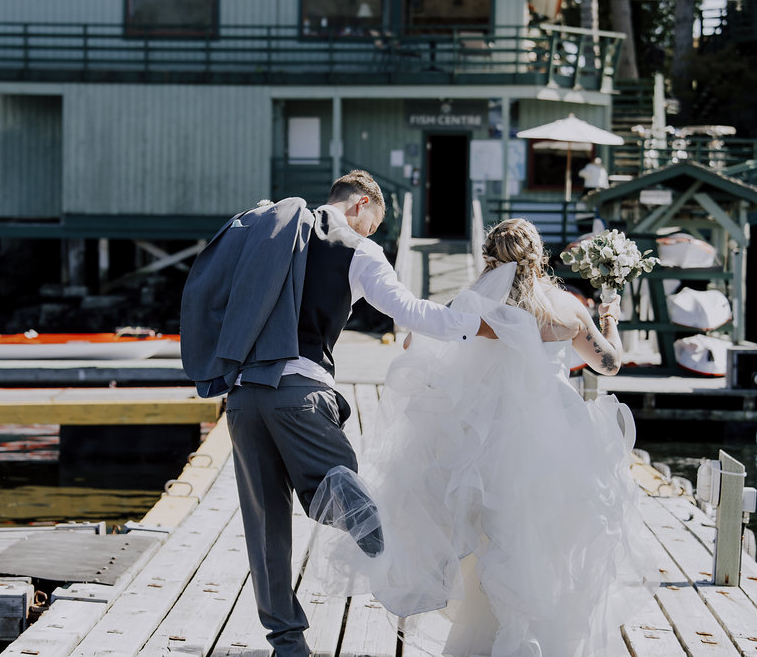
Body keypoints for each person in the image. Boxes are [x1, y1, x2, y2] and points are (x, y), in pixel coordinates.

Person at [180, 170, 496, 657]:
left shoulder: (266, 235)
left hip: (244, 396)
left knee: (265, 527)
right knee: (334, 485)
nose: (373, 233)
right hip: (300, 391)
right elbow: (408, 309)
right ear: (361, 204)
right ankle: (398, 561)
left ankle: (287, 644)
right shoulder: (356, 249)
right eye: (373, 223)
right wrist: (482, 326)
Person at [308, 218, 656, 656]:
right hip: (552, 433)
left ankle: (485, 639)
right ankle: (533, 637)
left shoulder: (470, 302)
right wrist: (610, 319)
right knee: (541, 536)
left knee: (487, 539)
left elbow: (415, 345)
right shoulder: (565, 307)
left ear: (489, 256)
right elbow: (608, 364)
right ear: (538, 255)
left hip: (481, 435)